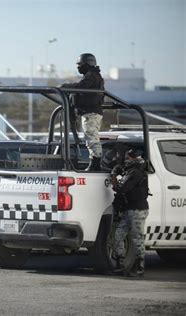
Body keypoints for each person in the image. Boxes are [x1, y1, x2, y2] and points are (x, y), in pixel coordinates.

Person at [61, 53, 105, 171]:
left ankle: (95, 163)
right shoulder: (94, 75)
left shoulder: (91, 76)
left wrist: (66, 86)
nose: (78, 67)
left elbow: (82, 86)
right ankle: (95, 162)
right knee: (91, 136)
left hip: (91, 112)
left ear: (87, 63)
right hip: (91, 111)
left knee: (91, 136)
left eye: (80, 64)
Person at [110, 149, 149, 277]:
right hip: (129, 209)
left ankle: (139, 267)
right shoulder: (131, 172)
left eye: (129, 158)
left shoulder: (136, 173)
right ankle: (119, 263)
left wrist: (114, 177)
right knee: (118, 235)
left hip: (137, 210)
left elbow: (121, 188)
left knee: (137, 238)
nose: (126, 160)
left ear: (135, 159)